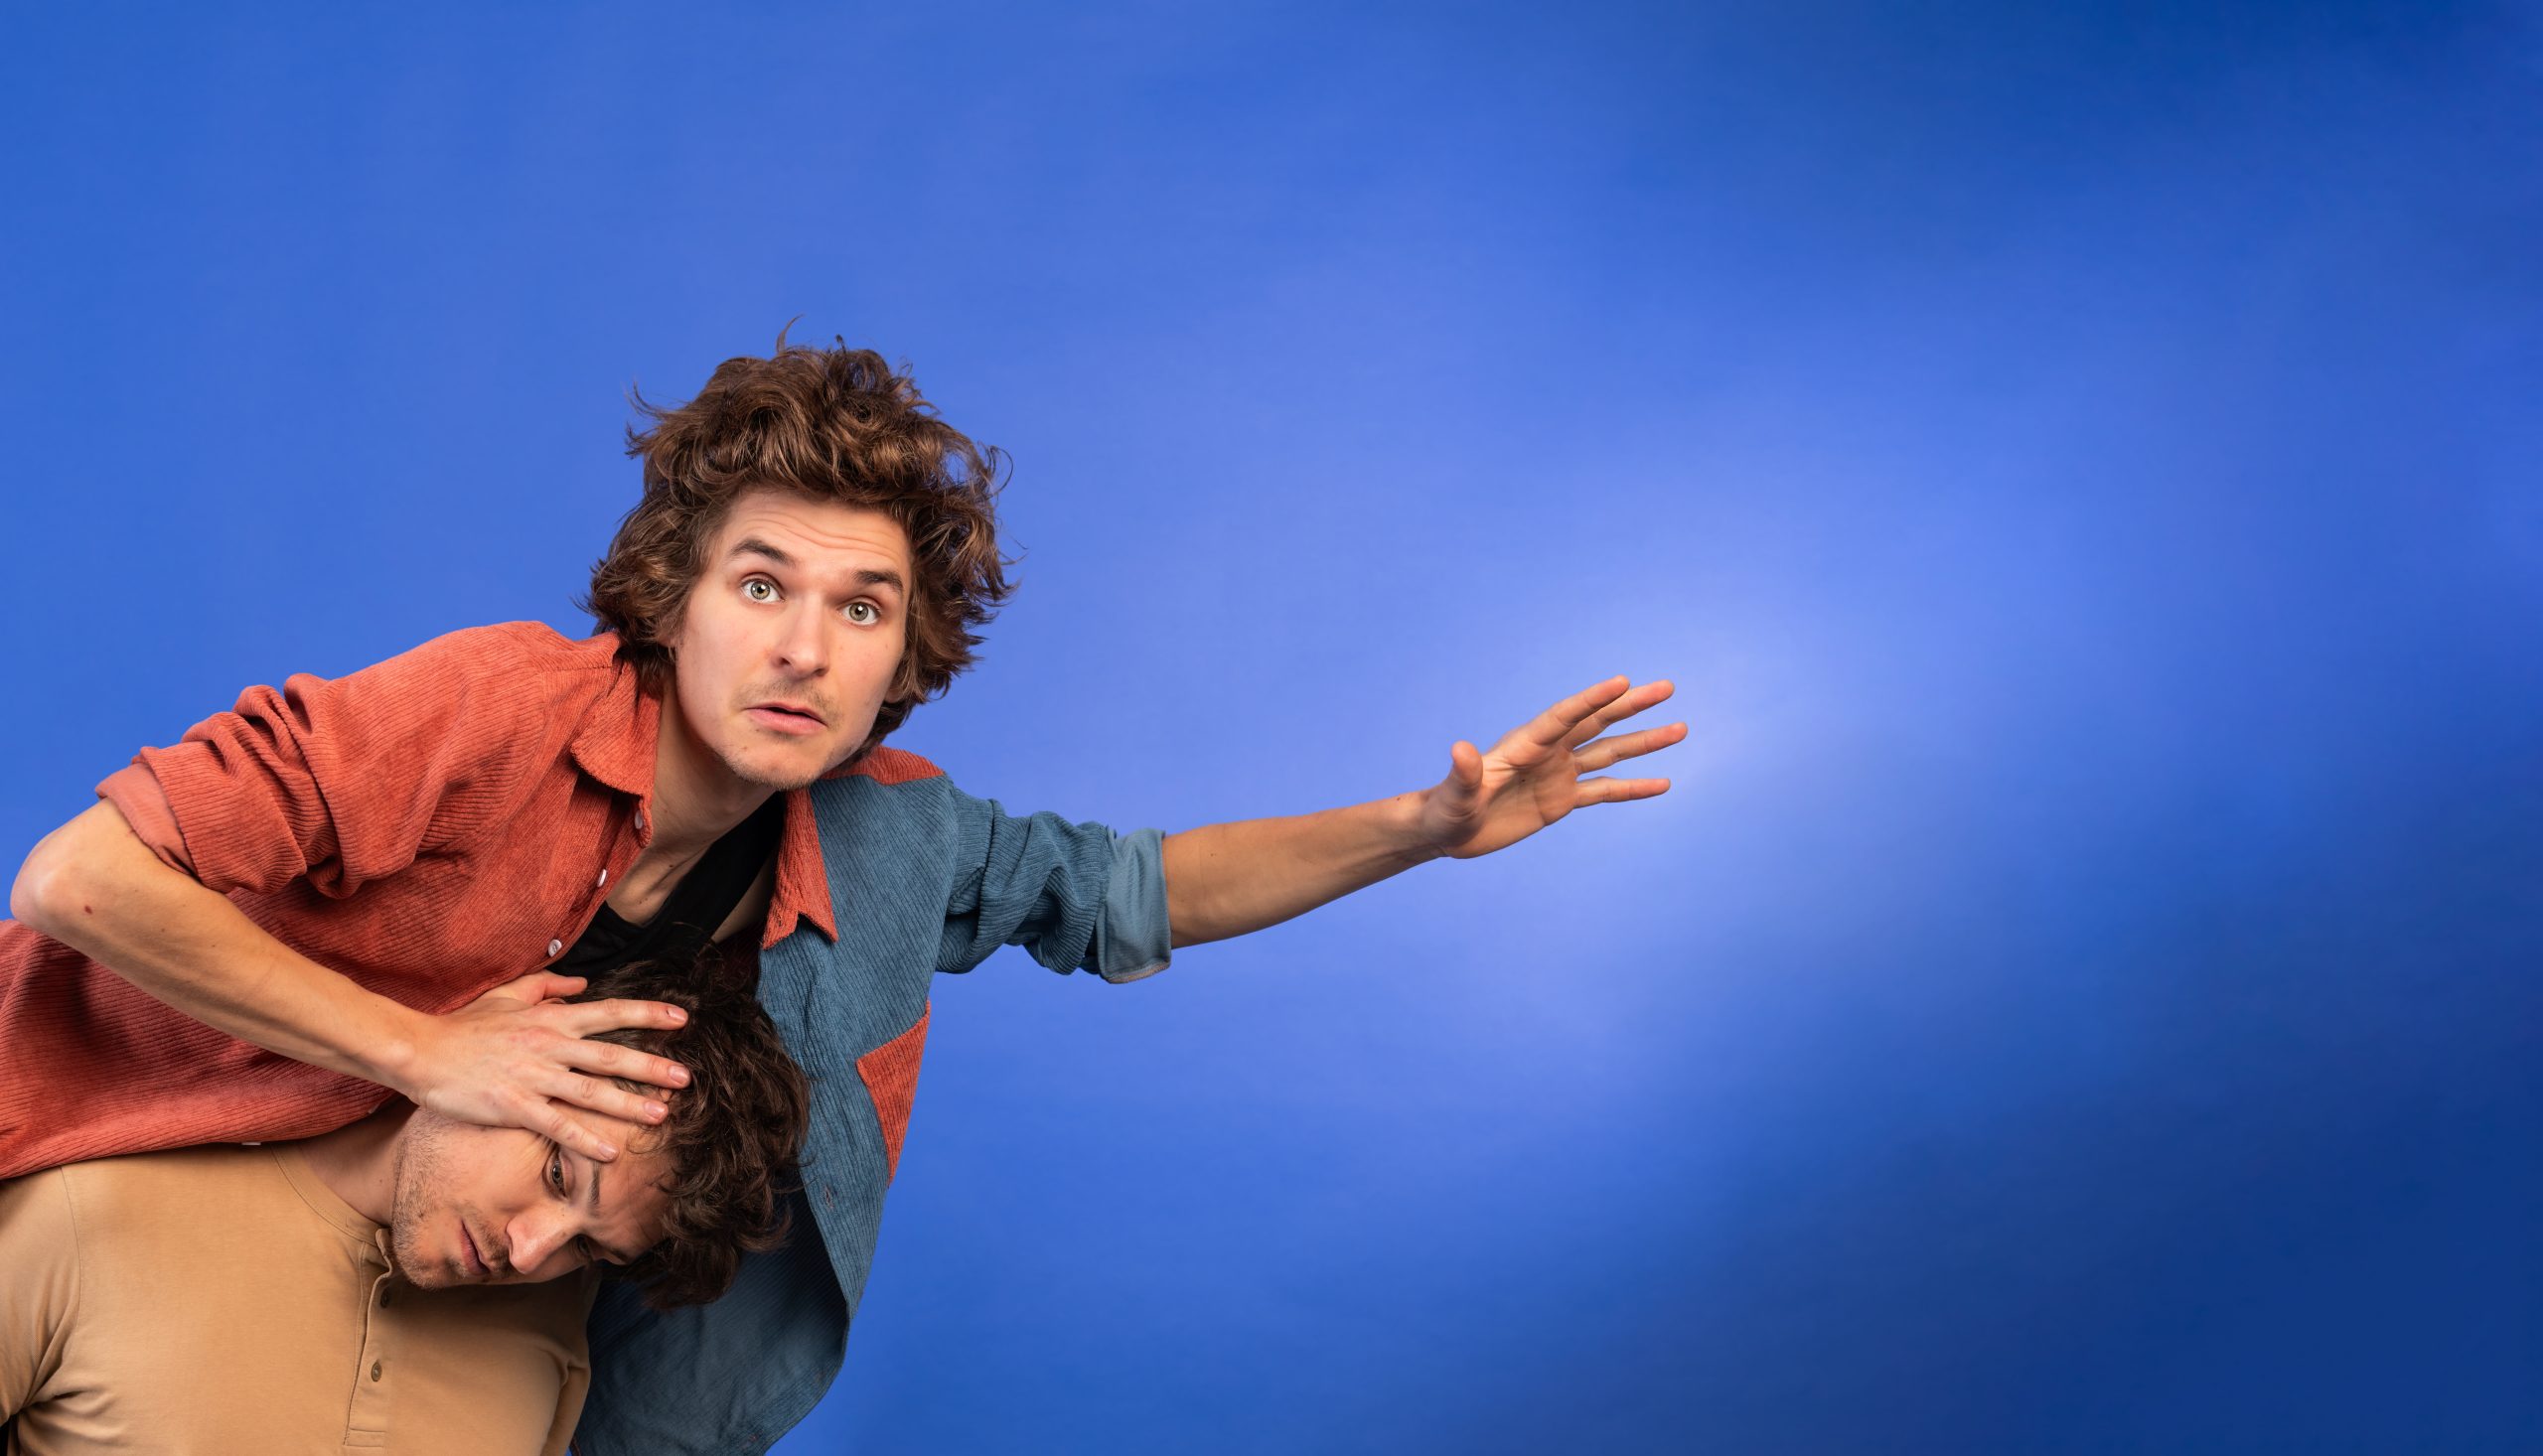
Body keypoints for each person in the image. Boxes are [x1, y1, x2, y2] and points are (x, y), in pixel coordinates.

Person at [1, 336, 1684, 1453]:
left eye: (863, 608)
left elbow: (1130, 889)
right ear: (673, 597)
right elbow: (80, 877)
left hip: (530, 1337)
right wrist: (427, 1050)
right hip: (170, 1193)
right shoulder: (492, 711)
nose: (805, 648)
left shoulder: (891, 832)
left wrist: (1420, 825)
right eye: (762, 585)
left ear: (906, 654)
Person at [0, 953, 810, 1454]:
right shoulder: (86, 1214)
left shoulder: (551, 1349)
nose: (531, 1252)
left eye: (588, 1247)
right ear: (521, 1043)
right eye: (560, 1176)